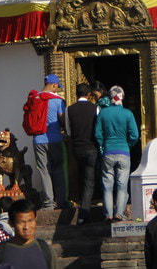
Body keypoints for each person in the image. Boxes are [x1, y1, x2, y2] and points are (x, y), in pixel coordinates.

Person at [94, 85, 139, 221]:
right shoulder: (128, 114)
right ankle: (119, 213)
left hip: (108, 152)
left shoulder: (103, 113)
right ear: (122, 98)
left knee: (107, 186)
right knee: (122, 185)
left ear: (110, 97)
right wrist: (128, 144)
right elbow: (134, 135)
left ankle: (108, 214)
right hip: (123, 152)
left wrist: (103, 145)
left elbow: (97, 134)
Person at [0, 199, 59, 268]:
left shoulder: (46, 250)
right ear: (11, 223)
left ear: (36, 220)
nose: (26, 227)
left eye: (30, 221)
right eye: (21, 222)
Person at [32, 74, 67, 209]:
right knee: (58, 169)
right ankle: (62, 201)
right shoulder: (57, 101)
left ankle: (48, 202)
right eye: (57, 87)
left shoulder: (35, 99)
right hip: (55, 139)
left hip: (38, 140)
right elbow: (62, 120)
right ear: (53, 85)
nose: (57, 89)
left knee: (44, 171)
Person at [67, 82, 98, 222]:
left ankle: (75, 200)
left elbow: (68, 131)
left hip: (75, 148)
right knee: (89, 181)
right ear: (89, 94)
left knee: (76, 177)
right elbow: (97, 130)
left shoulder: (70, 109)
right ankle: (84, 213)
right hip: (90, 148)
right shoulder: (95, 108)